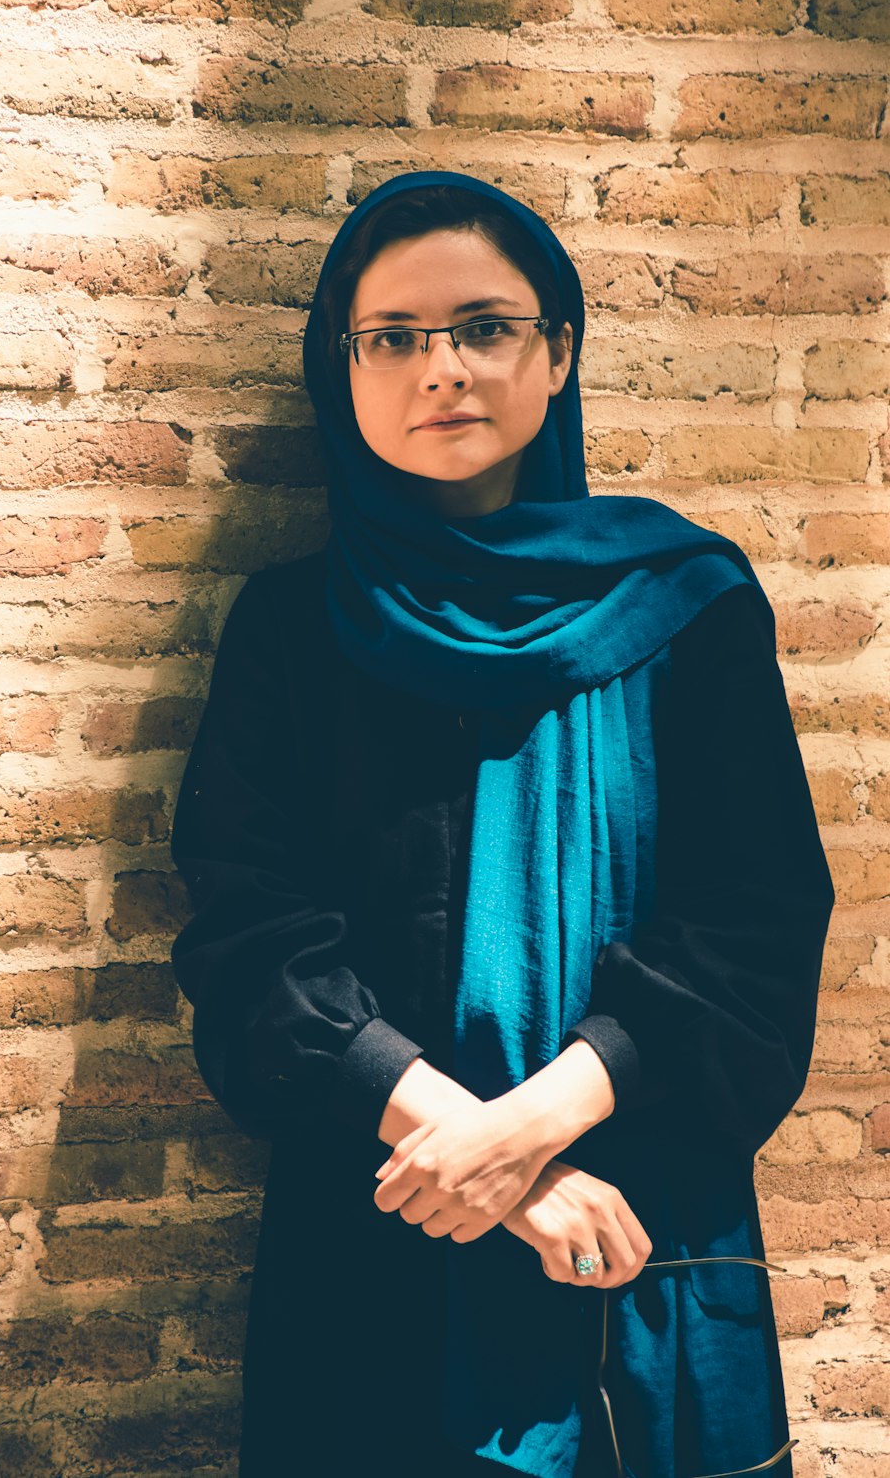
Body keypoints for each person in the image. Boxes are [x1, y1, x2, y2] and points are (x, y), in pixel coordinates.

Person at [169, 171, 836, 1478]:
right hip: (380, 1235)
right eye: (394, 338)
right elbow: (254, 947)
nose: (443, 370)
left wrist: (524, 1132)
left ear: (559, 353)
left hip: (632, 1228)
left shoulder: (686, 609)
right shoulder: (292, 633)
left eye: (486, 327)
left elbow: (752, 932)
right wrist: (497, 1173)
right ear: (340, 370)